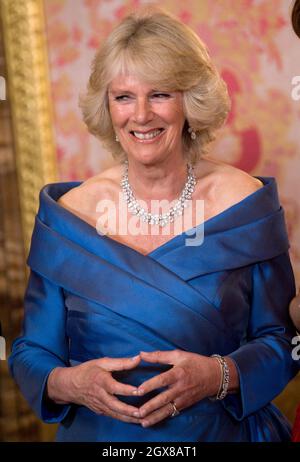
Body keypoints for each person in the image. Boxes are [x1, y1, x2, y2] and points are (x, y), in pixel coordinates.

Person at [9, 6, 299, 442]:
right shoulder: (68, 217)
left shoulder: (246, 206)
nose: (141, 115)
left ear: (191, 101)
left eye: (160, 94)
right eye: (123, 97)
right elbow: (31, 353)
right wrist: (71, 383)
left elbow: (285, 341)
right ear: (107, 107)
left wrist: (220, 374)